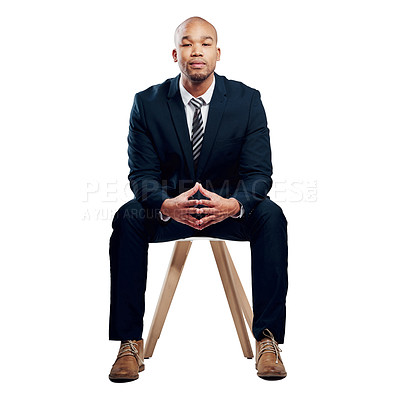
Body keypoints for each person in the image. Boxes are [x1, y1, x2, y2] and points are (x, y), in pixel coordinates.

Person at [108, 16, 288, 382]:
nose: (196, 51)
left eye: (206, 43)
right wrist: (163, 204)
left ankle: (268, 341)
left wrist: (235, 205)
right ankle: (129, 342)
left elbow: (259, 174)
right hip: (170, 208)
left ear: (217, 54)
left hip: (228, 209)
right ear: (176, 54)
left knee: (272, 215)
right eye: (188, 44)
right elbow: (140, 175)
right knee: (127, 218)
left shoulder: (247, 100)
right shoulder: (147, 103)